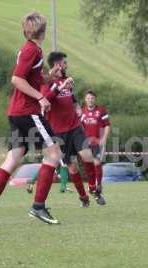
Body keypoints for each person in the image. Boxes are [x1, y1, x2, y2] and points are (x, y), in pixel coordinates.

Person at [0, 11, 63, 227]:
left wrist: (50, 76)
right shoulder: (31, 50)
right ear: (43, 30)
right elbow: (17, 79)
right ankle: (38, 207)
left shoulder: (32, 49)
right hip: (27, 112)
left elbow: (33, 78)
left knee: (13, 159)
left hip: (17, 112)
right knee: (54, 153)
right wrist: (41, 96)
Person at [41, 51, 105, 207]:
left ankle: (92, 189)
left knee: (87, 156)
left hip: (75, 127)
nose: (66, 65)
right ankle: (83, 197)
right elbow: (45, 100)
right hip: (58, 132)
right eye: (64, 63)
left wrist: (77, 109)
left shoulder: (65, 79)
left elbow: (73, 100)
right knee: (72, 167)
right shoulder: (46, 81)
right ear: (56, 64)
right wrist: (59, 86)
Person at [81, 90, 110, 194]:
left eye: (92, 98)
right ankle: (91, 185)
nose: (90, 100)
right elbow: (78, 127)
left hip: (98, 142)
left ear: (95, 99)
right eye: (88, 98)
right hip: (85, 143)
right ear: (85, 99)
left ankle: (99, 185)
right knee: (88, 165)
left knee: (97, 162)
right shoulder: (82, 112)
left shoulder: (101, 111)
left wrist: (104, 138)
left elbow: (107, 125)